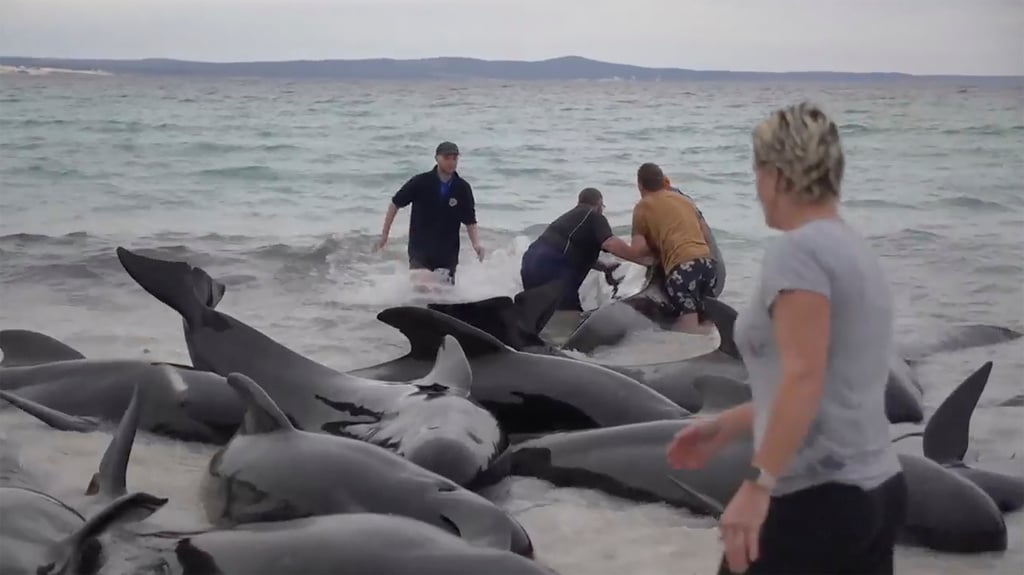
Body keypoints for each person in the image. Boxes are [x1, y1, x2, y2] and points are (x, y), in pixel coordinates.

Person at [665, 102, 907, 575]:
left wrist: (757, 486)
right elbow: (833, 387)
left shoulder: (798, 251)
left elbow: (804, 377)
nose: (756, 187)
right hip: (877, 493)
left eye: (757, 171)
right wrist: (729, 424)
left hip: (814, 500)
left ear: (777, 175)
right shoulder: (855, 252)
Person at [625, 162, 718, 333]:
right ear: (663, 181)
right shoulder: (685, 201)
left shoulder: (642, 206)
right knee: (706, 322)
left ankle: (688, 356)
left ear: (639, 184)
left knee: (688, 326)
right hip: (709, 265)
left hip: (682, 268)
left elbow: (637, 250)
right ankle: (712, 356)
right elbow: (705, 234)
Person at [375, 141, 484, 285]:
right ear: (437, 158)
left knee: (443, 297)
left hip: (448, 251)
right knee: (421, 287)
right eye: (447, 157)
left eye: (454, 158)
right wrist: (385, 235)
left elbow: (470, 220)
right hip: (420, 247)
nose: (451, 162)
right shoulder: (420, 182)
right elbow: (395, 204)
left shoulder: (462, 188)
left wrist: (476, 244)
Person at [519, 187, 635, 311]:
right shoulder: (593, 215)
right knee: (570, 317)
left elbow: (571, 252)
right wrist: (639, 257)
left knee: (540, 315)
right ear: (599, 204)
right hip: (555, 272)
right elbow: (610, 243)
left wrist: (605, 268)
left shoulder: (568, 219)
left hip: (529, 264)